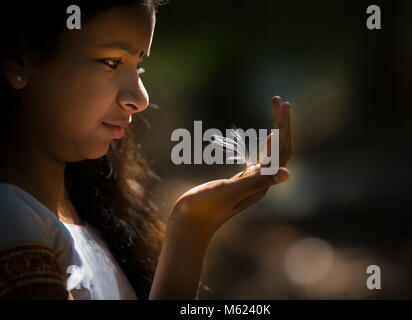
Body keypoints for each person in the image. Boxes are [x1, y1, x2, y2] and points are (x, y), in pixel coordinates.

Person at [0, 0, 292, 300]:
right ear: (19, 60)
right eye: (111, 62)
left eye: (138, 66)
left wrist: (193, 222)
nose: (141, 98)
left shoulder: (86, 213)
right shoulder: (12, 220)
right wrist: (190, 229)